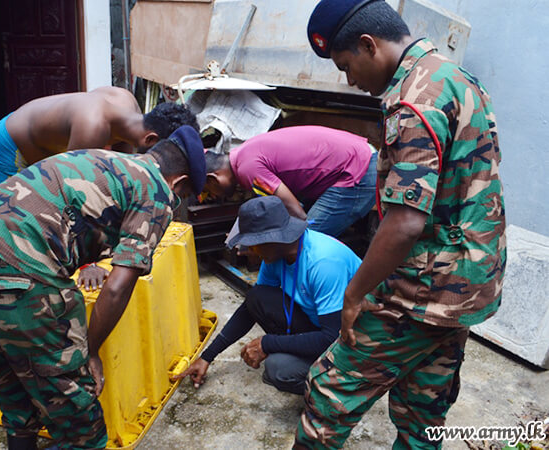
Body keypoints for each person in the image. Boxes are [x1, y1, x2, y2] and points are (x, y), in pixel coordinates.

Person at [296, 0, 506, 448]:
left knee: (328, 393)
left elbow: (406, 222)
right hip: (468, 282)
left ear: (369, 45)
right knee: (423, 407)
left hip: (424, 287)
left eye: (346, 65)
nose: (350, 80)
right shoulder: (455, 77)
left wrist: (355, 293)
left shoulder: (413, 102)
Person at [0, 125, 206, 449]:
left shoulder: (111, 160)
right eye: (182, 195)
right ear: (179, 182)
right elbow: (117, 287)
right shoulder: (157, 192)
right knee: (80, 420)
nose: (177, 201)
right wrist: (91, 351)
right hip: (17, 267)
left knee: (14, 390)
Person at [0, 86, 199, 325]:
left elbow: (128, 180)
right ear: (153, 140)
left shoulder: (127, 106)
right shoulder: (92, 127)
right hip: (7, 148)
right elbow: (67, 197)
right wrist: (90, 264)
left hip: (43, 150)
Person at [174, 196, 361, 394]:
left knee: (279, 369)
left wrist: (268, 343)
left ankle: (345, 386)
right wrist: (207, 356)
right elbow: (250, 308)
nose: (244, 251)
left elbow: (332, 337)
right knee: (257, 296)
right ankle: (311, 361)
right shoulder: (277, 255)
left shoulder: (324, 263)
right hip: (320, 325)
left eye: (251, 244)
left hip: (351, 342)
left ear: (272, 239)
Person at [203, 125, 377, 237]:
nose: (212, 195)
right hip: (354, 157)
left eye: (208, 190)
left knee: (305, 239)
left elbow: (296, 211)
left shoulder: (247, 169)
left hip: (356, 170)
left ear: (213, 178)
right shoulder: (243, 153)